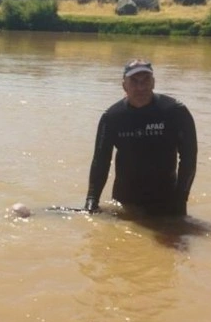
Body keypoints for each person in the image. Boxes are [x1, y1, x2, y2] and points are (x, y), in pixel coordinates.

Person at [83, 59, 197, 216]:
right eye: (134, 81)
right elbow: (100, 161)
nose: (140, 87)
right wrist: (91, 200)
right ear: (124, 85)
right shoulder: (112, 117)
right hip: (124, 201)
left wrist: (181, 199)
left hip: (167, 200)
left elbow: (189, 159)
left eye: (146, 81)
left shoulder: (175, 111)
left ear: (154, 83)